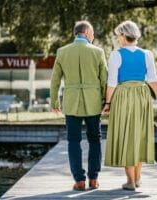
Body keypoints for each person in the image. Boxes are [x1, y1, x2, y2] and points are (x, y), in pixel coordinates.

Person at [103, 20, 157, 191]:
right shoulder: (147, 54)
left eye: (118, 35)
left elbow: (111, 83)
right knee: (139, 135)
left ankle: (130, 181)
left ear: (124, 35)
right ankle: (138, 178)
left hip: (123, 95)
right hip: (142, 95)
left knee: (126, 135)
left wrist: (107, 102)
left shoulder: (116, 55)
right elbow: (154, 80)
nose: (117, 39)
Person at [50, 20, 107, 191]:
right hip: (93, 102)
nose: (94, 36)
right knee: (95, 139)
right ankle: (94, 179)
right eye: (93, 33)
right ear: (87, 33)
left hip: (71, 102)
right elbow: (104, 79)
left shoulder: (62, 51)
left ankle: (79, 180)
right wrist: (106, 102)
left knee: (73, 141)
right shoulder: (98, 52)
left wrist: (55, 102)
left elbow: (55, 80)